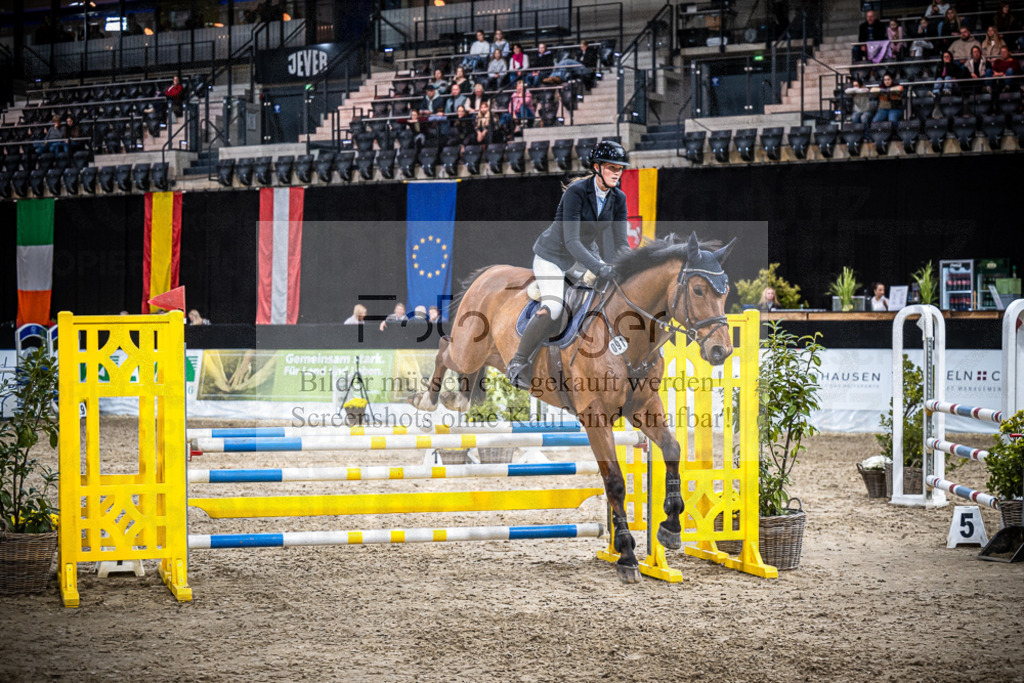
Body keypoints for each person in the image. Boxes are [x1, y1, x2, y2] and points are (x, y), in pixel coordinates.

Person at [505, 141, 630, 390]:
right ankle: (518, 363)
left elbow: (621, 244)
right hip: (553, 257)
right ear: (597, 168)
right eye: (611, 168)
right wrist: (600, 267)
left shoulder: (619, 198)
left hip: (581, 257)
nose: (617, 173)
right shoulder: (576, 193)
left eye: (620, 168)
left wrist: (627, 268)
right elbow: (572, 242)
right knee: (553, 306)